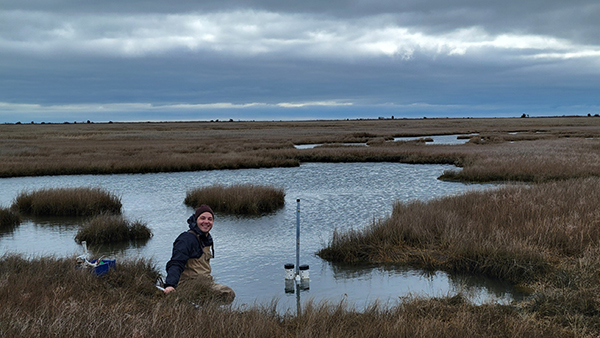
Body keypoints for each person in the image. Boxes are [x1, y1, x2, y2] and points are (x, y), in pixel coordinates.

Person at [163, 204, 235, 302]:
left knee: (228, 295)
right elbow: (176, 263)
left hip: (205, 283)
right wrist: (170, 285)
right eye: (202, 218)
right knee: (227, 293)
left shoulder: (206, 238)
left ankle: (207, 313)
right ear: (196, 220)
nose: (206, 221)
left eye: (210, 219)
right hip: (187, 284)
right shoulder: (186, 239)